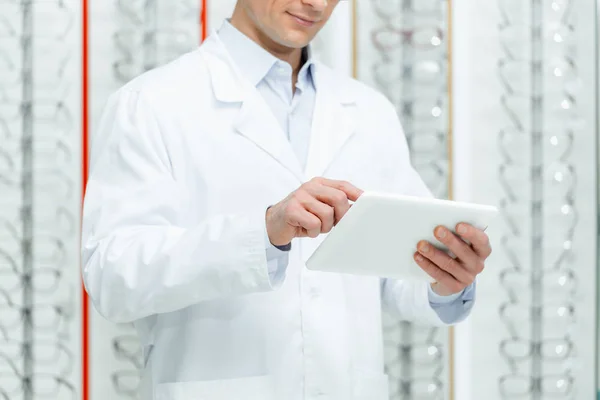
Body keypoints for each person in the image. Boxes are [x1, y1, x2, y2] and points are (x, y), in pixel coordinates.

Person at [81, 0, 492, 399]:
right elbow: (112, 276)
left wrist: (444, 278)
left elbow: (396, 277)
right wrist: (262, 232)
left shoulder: (368, 110)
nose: (316, 3)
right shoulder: (153, 103)